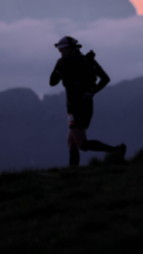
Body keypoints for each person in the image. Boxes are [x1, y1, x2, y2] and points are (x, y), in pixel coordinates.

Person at [49, 36, 126, 166]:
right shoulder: (89, 61)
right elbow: (105, 79)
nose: (60, 53)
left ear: (68, 49)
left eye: (61, 50)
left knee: (82, 144)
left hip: (73, 107)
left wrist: (59, 65)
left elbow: (52, 82)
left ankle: (115, 151)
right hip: (87, 105)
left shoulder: (65, 63)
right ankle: (73, 173)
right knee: (71, 142)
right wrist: (92, 92)